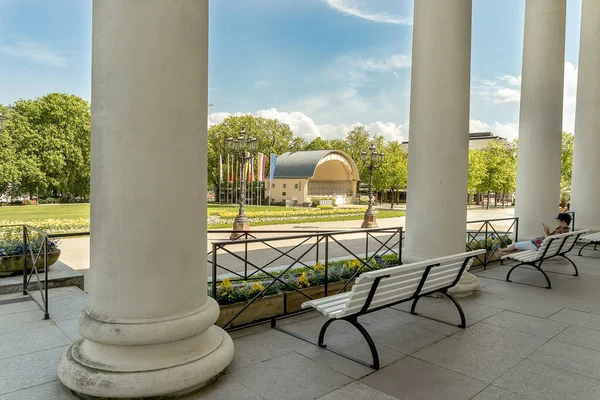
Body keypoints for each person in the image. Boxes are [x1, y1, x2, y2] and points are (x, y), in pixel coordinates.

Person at [493, 213, 571, 257]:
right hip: (545, 248)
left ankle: (501, 250)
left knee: (516, 245)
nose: (557, 222)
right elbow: (551, 240)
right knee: (521, 249)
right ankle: (502, 253)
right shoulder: (566, 231)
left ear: (563, 222)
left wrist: (546, 232)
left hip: (538, 246)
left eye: (558, 221)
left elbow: (548, 240)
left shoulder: (560, 231)